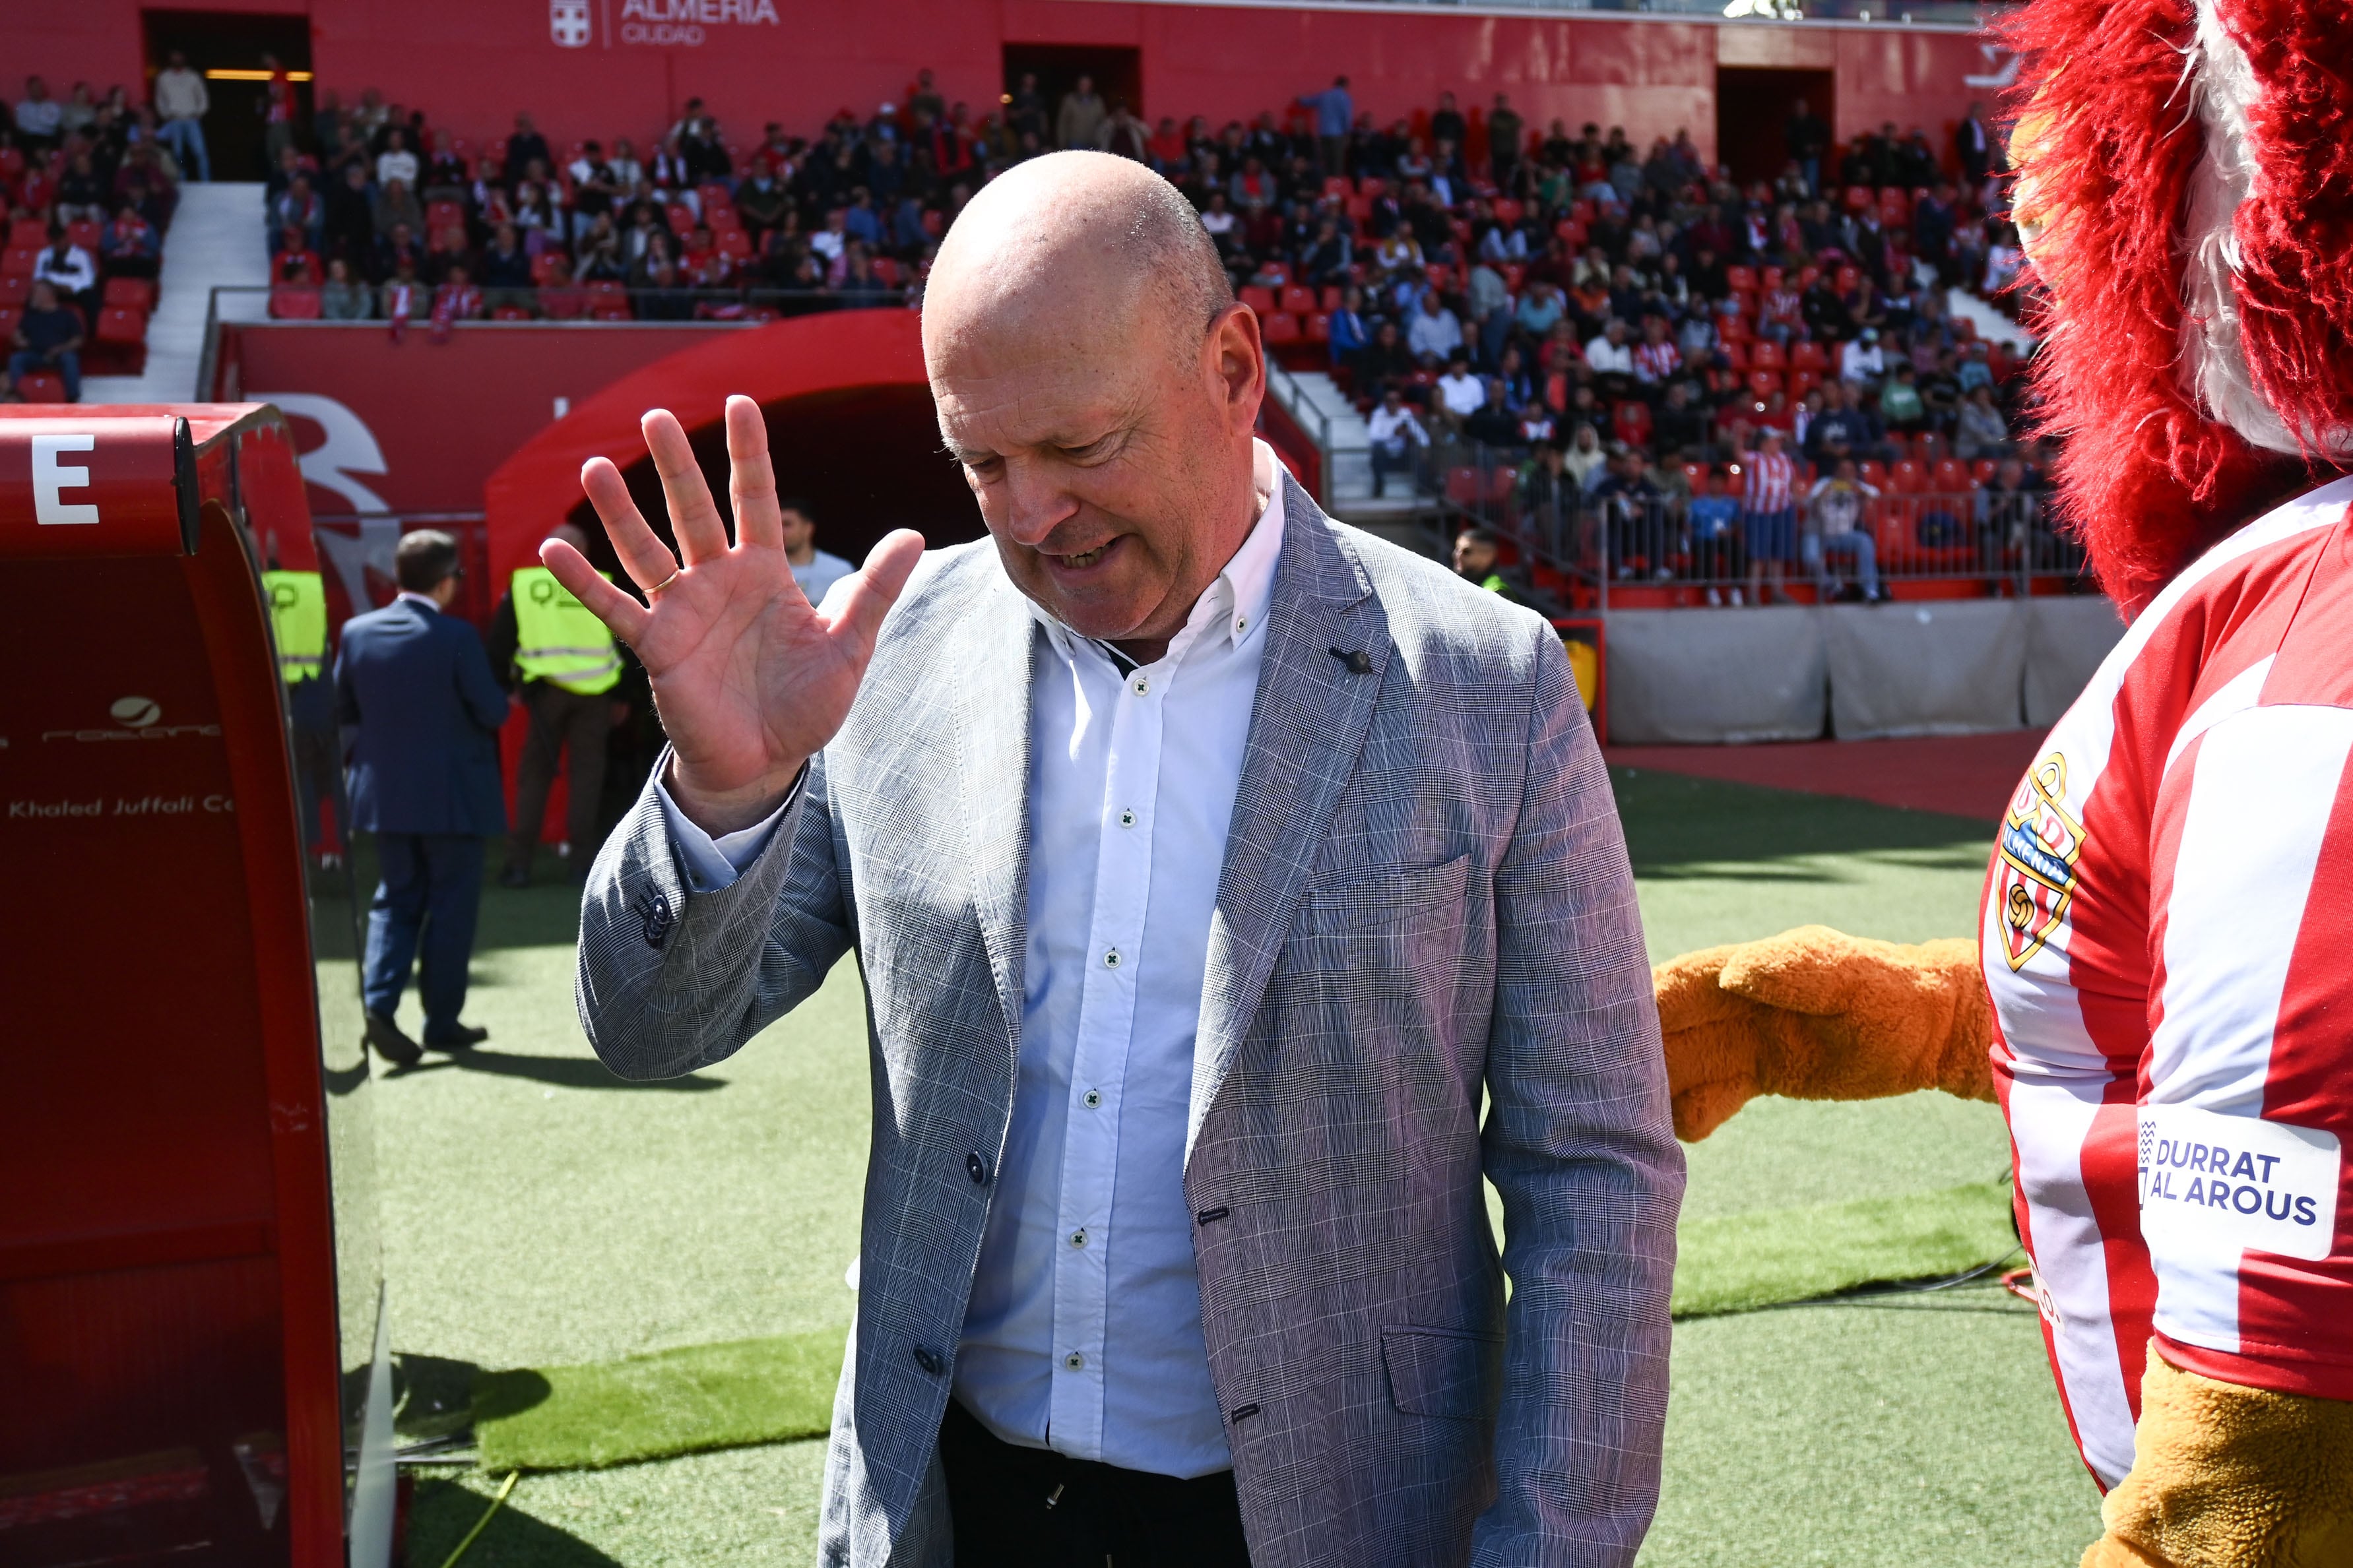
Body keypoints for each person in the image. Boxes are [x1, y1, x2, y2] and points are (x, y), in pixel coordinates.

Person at [546, 150, 1679, 1568]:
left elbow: (1594, 1175)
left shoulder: (1485, 681)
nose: (1028, 514)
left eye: (1080, 449)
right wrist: (724, 791)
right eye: (982, 462)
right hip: (954, 1509)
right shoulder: (882, 655)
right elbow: (651, 1030)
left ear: (1232, 368)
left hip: (1339, 1520)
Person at [334, 530, 507, 1065]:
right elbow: (493, 712)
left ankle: (380, 1009)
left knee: (395, 899)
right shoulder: (455, 635)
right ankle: (441, 1021)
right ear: (444, 581)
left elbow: (345, 707)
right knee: (451, 907)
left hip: (384, 796)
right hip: (453, 797)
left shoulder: (356, 632)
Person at [486, 524, 625, 887]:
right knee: (587, 778)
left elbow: (499, 642)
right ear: (584, 549)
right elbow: (628, 638)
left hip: (544, 694)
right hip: (597, 692)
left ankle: (518, 866)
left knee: (534, 778)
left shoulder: (525, 585)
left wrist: (506, 686)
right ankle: (583, 866)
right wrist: (623, 697)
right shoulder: (603, 581)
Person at [1802, 457, 1884, 602]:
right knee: (1810, 556)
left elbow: (1876, 494)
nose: (1846, 474)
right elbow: (1808, 503)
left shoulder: (1857, 486)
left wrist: (1861, 492)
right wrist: (1823, 494)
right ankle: (1832, 585)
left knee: (1865, 541)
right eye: (1843, 470)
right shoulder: (1824, 483)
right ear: (1836, 471)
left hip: (1845, 535)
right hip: (1820, 533)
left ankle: (1871, 591)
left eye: (1850, 471)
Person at [1739, 427, 1797, 605]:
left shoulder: (1785, 459)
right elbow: (1739, 455)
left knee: (1778, 555)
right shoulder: (1754, 458)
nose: (1779, 443)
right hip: (1759, 512)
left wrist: (1794, 497)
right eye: (1775, 440)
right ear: (1764, 443)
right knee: (1759, 555)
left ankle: (1777, 593)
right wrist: (1738, 436)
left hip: (1782, 510)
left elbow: (1792, 480)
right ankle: (1753, 594)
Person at [9, 282, 84, 402]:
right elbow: (17, 335)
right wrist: (20, 341)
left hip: (59, 354)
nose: (33, 296)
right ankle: (17, 396)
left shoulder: (66, 315)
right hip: (35, 353)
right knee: (17, 359)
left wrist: (61, 349)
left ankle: (72, 398)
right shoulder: (31, 316)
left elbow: (78, 339)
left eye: (37, 293)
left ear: (49, 295)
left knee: (70, 359)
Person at [779, 497, 854, 604]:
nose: (781, 531)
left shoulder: (840, 570)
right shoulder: (768, 572)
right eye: (778, 525)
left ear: (808, 528)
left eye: (787, 524)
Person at [152, 51, 210, 181]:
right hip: (174, 119)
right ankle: (181, 180)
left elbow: (203, 97)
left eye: (179, 56)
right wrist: (166, 114)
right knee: (178, 153)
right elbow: (160, 99)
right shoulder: (164, 77)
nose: (177, 59)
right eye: (174, 56)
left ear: (184, 58)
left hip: (192, 119)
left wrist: (199, 112)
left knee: (200, 152)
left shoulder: (193, 77)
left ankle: (206, 181)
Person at [1365, 383, 1429, 497]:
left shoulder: (1405, 414)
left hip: (1402, 456)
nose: (1393, 404)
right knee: (1378, 448)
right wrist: (1393, 434)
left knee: (1419, 448)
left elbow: (1422, 436)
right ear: (1385, 402)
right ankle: (1379, 487)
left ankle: (1422, 487)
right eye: (1390, 400)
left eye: (1397, 400)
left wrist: (1424, 446)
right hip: (1385, 458)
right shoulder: (1378, 414)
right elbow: (1373, 437)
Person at [1296, 76, 1351, 176]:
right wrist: (1347, 135)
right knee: (1337, 164)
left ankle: (1325, 186)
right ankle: (1335, 188)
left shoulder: (1325, 95)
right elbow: (1346, 118)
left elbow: (1307, 102)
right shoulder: (1345, 97)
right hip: (1337, 136)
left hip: (1323, 135)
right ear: (1345, 85)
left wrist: (1300, 99)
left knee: (1324, 163)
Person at [1452, 524, 1516, 598]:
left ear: (1488, 556)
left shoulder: (1496, 592)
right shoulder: (1469, 586)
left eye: (1467, 552)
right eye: (1457, 549)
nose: (1457, 555)